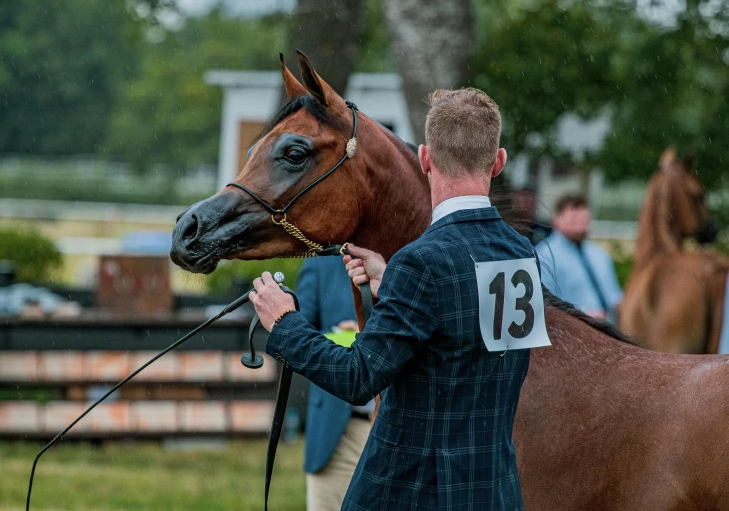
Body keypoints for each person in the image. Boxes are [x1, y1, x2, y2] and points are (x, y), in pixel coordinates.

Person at [250, 88, 550, 510]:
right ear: (497, 162)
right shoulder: (522, 253)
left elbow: (357, 377)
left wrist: (284, 322)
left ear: (425, 158)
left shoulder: (421, 262)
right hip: (491, 491)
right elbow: (472, 351)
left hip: (412, 494)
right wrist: (392, 284)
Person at [295, 256, 373, 511]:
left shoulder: (411, 251)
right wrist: (339, 340)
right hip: (342, 429)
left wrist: (373, 338)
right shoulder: (321, 263)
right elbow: (296, 337)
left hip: (402, 426)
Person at [536, 194, 622, 320]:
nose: (580, 224)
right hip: (571, 333)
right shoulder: (544, 256)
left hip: (610, 329)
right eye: (574, 219)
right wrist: (585, 315)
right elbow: (544, 305)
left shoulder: (599, 254)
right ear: (556, 219)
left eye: (584, 219)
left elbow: (615, 298)